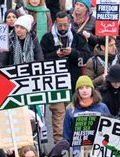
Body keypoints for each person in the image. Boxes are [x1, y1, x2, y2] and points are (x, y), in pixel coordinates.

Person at [40, 11, 91, 142]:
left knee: (73, 112)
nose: (62, 28)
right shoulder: (47, 38)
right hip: (54, 83)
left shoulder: (77, 37)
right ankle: (59, 144)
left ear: (69, 23)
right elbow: (41, 59)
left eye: (65, 25)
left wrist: (72, 52)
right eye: (60, 25)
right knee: (58, 113)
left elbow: (86, 56)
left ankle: (73, 141)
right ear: (55, 23)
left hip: (72, 83)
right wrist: (56, 55)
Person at [62, 75, 110, 144]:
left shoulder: (102, 107)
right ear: (77, 91)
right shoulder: (70, 110)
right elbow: (66, 136)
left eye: (87, 87)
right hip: (77, 150)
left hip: (98, 148)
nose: (84, 91)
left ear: (92, 89)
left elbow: (109, 131)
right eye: (81, 88)